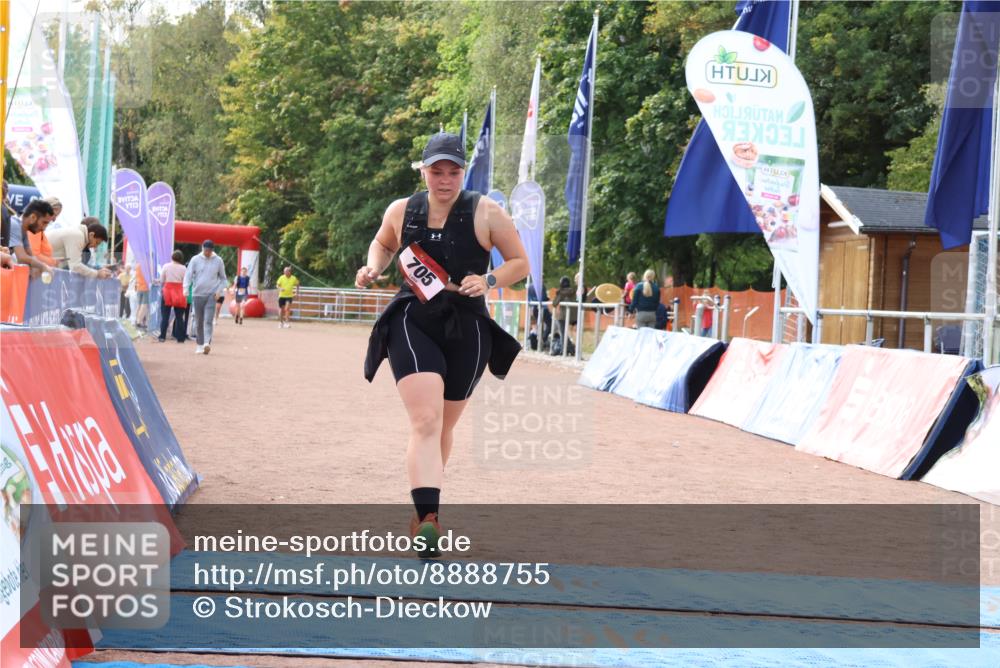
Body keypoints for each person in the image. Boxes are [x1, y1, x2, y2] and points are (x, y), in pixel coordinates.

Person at [357, 132, 528, 557]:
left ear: (463, 172)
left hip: (467, 323)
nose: (445, 180)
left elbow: (519, 263)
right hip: (413, 317)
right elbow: (382, 243)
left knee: (444, 428)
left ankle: (423, 504)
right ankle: (429, 519)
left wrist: (488, 279)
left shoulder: (487, 212)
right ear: (423, 170)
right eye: (437, 171)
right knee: (426, 420)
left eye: (453, 171)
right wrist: (373, 266)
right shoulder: (402, 210)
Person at [183, 239, 227, 354]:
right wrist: (186, 289)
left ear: (212, 250)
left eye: (209, 251)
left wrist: (219, 291)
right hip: (197, 294)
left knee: (208, 320)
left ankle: (207, 343)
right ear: (202, 249)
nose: (207, 253)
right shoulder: (195, 259)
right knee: (198, 321)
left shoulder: (218, 261)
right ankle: (199, 344)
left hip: (211, 295)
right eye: (205, 250)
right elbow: (188, 275)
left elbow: (223, 279)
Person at [46, 217, 111, 279]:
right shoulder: (77, 236)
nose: (95, 246)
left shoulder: (78, 233)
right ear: (91, 235)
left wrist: (98, 270)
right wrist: (97, 274)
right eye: (96, 242)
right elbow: (75, 266)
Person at [7, 199, 57, 278]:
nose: (44, 228)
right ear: (33, 217)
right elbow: (22, 257)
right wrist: (43, 266)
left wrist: (35, 266)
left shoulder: (24, 229)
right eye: (44, 222)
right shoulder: (14, 224)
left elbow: (30, 255)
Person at [158, 250, 188, 343]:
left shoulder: (166, 266)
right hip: (179, 291)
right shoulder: (184, 268)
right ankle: (181, 337)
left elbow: (162, 279)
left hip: (168, 291)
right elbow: (186, 280)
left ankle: (162, 336)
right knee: (179, 317)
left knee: (165, 315)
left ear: (172, 257)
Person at [134, 264, 150, 329]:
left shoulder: (137, 265)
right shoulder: (148, 266)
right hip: (146, 288)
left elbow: (136, 277)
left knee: (139, 306)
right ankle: (139, 322)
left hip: (139, 287)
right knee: (144, 306)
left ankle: (138, 321)